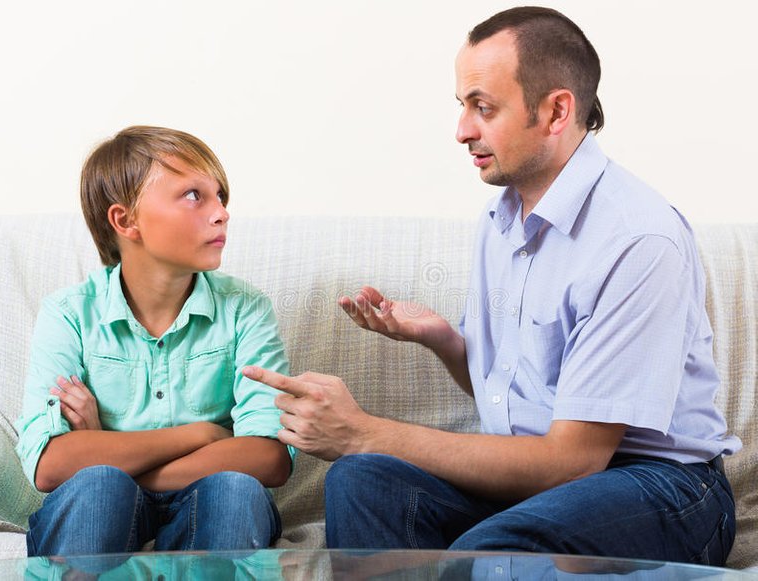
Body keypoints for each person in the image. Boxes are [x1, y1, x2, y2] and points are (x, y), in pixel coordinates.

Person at [244, 6, 741, 566]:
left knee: (496, 547)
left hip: (659, 488)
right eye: (462, 106)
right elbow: (512, 398)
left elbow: (572, 462)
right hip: (543, 478)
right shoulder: (500, 220)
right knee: (362, 481)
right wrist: (447, 342)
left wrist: (362, 430)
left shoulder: (636, 240)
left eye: (483, 107)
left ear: (556, 110)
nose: (462, 131)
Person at [16, 126, 294, 557]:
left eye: (220, 196)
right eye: (193, 195)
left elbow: (269, 457)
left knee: (235, 491)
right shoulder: (69, 314)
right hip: (103, 501)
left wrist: (105, 448)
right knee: (100, 487)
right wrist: (204, 433)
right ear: (126, 220)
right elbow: (51, 465)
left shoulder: (245, 309)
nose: (221, 213)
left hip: (211, 497)